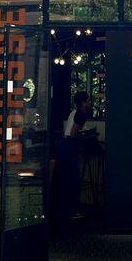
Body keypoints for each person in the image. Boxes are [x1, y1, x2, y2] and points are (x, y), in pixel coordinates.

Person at [51, 91, 90, 223]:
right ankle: (72, 211)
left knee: (63, 178)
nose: (89, 103)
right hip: (70, 147)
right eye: (88, 100)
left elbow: (69, 131)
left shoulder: (73, 112)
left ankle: (61, 210)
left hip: (63, 145)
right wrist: (86, 135)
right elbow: (73, 133)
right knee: (72, 179)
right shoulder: (82, 114)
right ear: (83, 103)